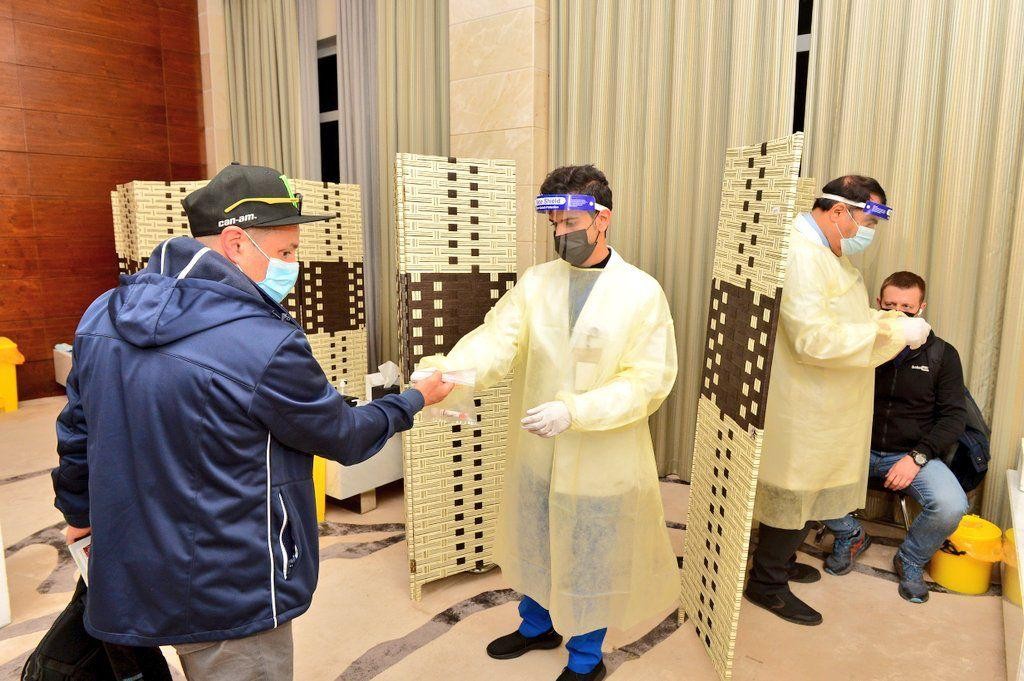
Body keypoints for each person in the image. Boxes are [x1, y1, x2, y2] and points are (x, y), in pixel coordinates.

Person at [52, 163, 453, 680]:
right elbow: (345, 436)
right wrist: (414, 399)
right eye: (286, 252)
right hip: (231, 585)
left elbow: (77, 432)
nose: (294, 266)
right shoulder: (264, 342)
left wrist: (79, 512)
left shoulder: (102, 315)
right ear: (236, 243)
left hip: (129, 569)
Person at [418, 165, 679, 681]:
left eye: (571, 223)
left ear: (603, 218)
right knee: (537, 539)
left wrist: (576, 411)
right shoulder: (538, 283)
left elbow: (648, 380)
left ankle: (586, 660)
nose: (561, 235)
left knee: (590, 556)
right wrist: (449, 372)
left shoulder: (640, 293)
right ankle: (537, 627)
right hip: (540, 451)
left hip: (602, 460)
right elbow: (496, 340)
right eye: (554, 224)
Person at [745, 175, 932, 625]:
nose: (866, 234)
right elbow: (814, 339)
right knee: (794, 489)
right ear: (837, 211)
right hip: (804, 402)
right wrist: (891, 334)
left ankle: (779, 563)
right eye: (866, 223)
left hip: (824, 402)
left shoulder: (826, 252)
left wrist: (887, 320)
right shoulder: (801, 256)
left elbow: (841, 316)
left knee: (805, 492)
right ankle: (766, 584)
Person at [823, 271, 968, 603]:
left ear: (921, 308)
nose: (898, 315)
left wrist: (916, 458)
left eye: (907, 308)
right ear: (878, 304)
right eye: (890, 307)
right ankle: (850, 534)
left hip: (911, 453)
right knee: (799, 480)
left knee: (951, 505)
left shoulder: (942, 355)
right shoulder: (859, 343)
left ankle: (911, 558)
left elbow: (953, 418)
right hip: (856, 447)